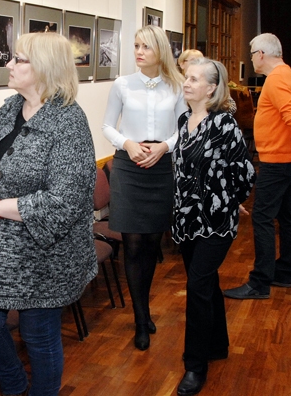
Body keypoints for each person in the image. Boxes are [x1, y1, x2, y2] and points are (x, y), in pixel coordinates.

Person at [0, 32, 97, 396]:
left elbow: (66, 200)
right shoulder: (9, 108)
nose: (9, 65)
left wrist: (0, 206)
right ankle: (14, 384)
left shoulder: (69, 122)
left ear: (44, 69)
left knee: (40, 336)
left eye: (18, 60)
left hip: (43, 253)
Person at [171, 57, 255, 396]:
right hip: (186, 221)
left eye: (194, 79)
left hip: (215, 223)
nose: (187, 83)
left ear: (211, 87)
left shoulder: (224, 124)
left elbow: (245, 171)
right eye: (186, 78)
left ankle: (195, 366)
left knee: (198, 285)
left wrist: (232, 200)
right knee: (205, 284)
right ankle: (217, 345)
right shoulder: (183, 119)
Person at [102, 25, 186, 350]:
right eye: (136, 46)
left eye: (145, 47)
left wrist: (165, 147)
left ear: (160, 51)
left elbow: (183, 128)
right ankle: (140, 318)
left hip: (161, 166)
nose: (138, 52)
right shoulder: (122, 84)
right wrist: (126, 143)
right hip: (129, 165)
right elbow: (108, 124)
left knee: (152, 243)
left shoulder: (176, 86)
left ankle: (144, 307)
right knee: (133, 244)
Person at [224, 33, 291, 300]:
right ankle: (283, 272)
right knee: (286, 217)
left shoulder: (276, 80)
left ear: (261, 54)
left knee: (261, 217)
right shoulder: (289, 76)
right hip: (285, 157)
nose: (251, 59)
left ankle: (260, 282)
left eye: (251, 54)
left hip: (277, 160)